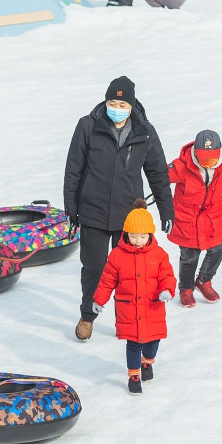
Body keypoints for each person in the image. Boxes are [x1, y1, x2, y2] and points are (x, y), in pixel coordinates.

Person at [63, 76, 174, 342]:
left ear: (131, 105)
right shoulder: (88, 126)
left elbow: (157, 172)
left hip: (129, 218)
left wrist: (166, 210)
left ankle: (125, 320)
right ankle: (88, 316)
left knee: (128, 271)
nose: (116, 107)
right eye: (112, 102)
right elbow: (73, 169)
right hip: (93, 210)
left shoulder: (144, 131)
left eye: (122, 103)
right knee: (94, 268)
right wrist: (72, 209)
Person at [92, 200, 176, 395]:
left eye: (142, 236)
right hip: (129, 309)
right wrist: (99, 300)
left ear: (150, 235)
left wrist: (167, 290)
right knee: (133, 343)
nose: (138, 240)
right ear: (126, 234)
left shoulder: (159, 254)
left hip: (152, 307)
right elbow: (107, 280)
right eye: (133, 236)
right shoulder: (117, 255)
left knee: (153, 340)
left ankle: (147, 362)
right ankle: (134, 375)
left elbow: (168, 276)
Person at [167, 130, 222, 308]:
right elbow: (161, 178)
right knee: (189, 256)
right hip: (187, 220)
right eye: (204, 159)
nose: (208, 163)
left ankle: (204, 281)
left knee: (218, 249)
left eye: (212, 159)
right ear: (196, 153)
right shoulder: (182, 165)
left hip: (213, 218)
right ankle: (186, 289)